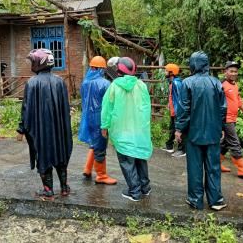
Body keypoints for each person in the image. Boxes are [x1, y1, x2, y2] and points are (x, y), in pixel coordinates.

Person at [17, 49, 73, 200]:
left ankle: (48, 190)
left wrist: (21, 128)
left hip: (40, 129)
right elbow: (66, 108)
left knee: (43, 155)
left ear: (38, 63)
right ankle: (64, 188)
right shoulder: (60, 82)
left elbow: (26, 108)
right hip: (59, 128)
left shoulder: (32, 83)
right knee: (61, 154)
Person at [175, 51, 227, 211]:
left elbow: (184, 108)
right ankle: (216, 200)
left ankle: (196, 200)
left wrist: (179, 128)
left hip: (194, 133)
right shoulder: (216, 82)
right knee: (213, 167)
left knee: (195, 167)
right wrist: (222, 127)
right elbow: (223, 108)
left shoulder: (187, 83)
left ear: (193, 64)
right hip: (212, 132)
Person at [101, 57, 152, 202]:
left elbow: (107, 108)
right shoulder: (141, 85)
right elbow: (146, 107)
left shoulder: (114, 86)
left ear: (118, 71)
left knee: (126, 161)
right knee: (140, 158)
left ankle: (134, 192)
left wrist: (104, 126)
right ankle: (145, 188)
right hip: (139, 130)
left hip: (122, 130)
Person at [79, 56, 117, 185]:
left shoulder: (84, 83)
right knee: (100, 146)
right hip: (100, 119)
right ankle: (101, 175)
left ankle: (87, 169)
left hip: (87, 118)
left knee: (93, 143)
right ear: (101, 69)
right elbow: (110, 103)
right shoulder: (106, 83)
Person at [220, 61, 243, 178]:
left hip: (232, 118)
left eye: (235, 71)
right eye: (231, 71)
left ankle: (216, 164)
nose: (234, 73)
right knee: (234, 143)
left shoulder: (235, 85)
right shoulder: (221, 86)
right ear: (225, 72)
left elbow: (238, 101)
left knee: (226, 143)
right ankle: (242, 170)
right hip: (225, 119)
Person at [161, 63, 186, 158]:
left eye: (166, 70)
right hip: (173, 110)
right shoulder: (171, 82)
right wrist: (169, 103)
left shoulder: (176, 83)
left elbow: (180, 99)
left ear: (171, 72)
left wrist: (179, 112)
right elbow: (172, 96)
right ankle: (169, 146)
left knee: (179, 130)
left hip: (177, 111)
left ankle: (182, 150)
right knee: (172, 129)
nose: (165, 72)